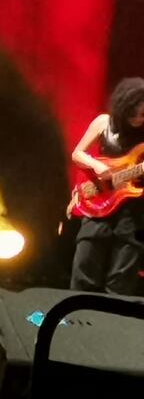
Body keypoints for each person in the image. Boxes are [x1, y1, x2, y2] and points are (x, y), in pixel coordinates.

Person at [70, 76, 144, 296]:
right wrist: (96, 165)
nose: (139, 119)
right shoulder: (104, 123)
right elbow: (77, 154)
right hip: (99, 200)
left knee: (122, 275)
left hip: (134, 210)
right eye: (136, 114)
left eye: (143, 115)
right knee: (86, 264)